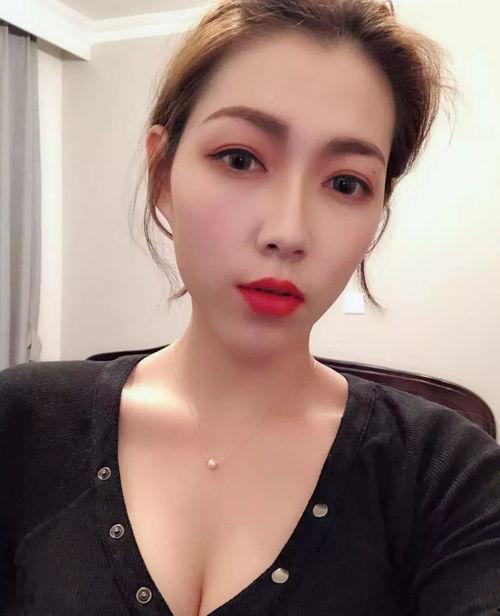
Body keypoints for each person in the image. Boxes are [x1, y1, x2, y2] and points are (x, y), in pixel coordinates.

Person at [1, 0, 499, 614]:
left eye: (346, 183)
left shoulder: (450, 475)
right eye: (240, 159)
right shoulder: (20, 422)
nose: (288, 232)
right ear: (163, 173)